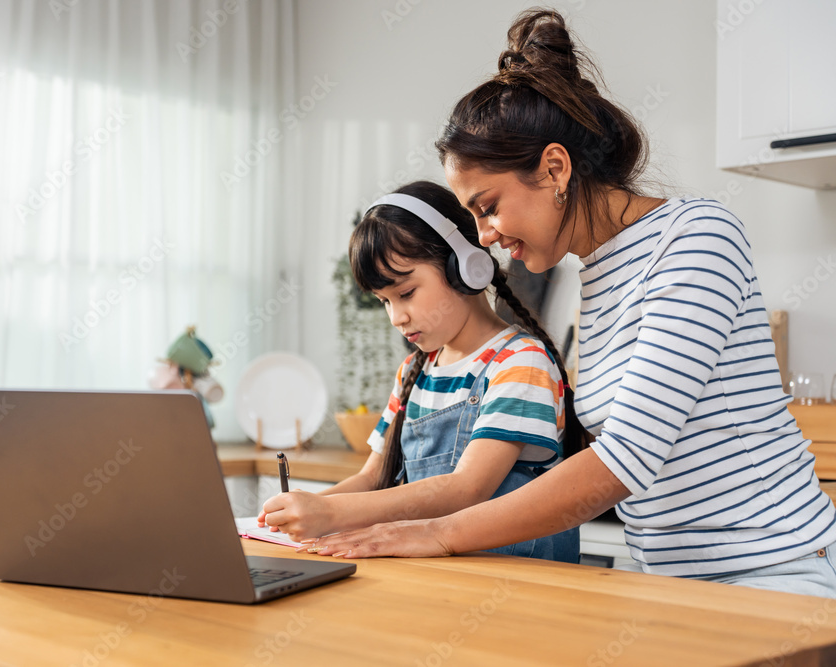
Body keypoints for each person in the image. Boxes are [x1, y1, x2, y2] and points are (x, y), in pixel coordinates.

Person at [300, 8, 836, 597]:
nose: (483, 236)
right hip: (677, 583)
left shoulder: (696, 237)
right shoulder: (597, 272)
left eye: (487, 206)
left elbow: (622, 460)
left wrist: (439, 532)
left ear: (555, 168)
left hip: (779, 571)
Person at [259, 179, 584, 562]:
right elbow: (372, 478)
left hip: (514, 580)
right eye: (385, 301)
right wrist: (288, 514)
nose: (397, 317)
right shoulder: (414, 370)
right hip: (441, 577)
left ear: (466, 268)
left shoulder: (521, 362)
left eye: (407, 293)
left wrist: (329, 513)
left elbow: (467, 489)